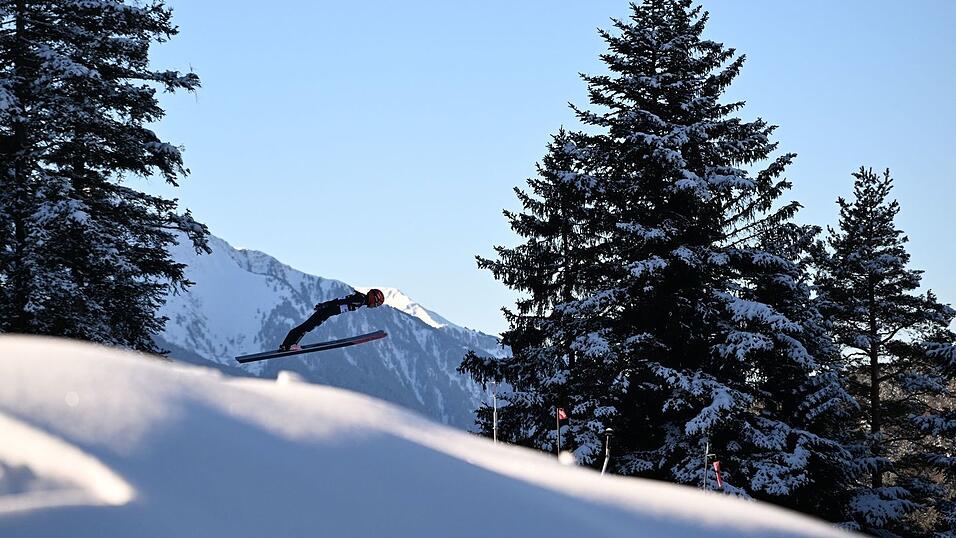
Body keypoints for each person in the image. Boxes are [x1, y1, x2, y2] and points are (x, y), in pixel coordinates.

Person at [279, 288, 385, 351]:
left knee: (306, 327)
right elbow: (341, 302)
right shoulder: (360, 300)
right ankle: (289, 345)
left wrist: (326, 305)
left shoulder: (360, 299)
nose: (375, 306)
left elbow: (341, 301)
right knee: (306, 327)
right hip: (326, 311)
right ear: (373, 299)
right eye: (376, 304)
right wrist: (325, 305)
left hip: (327, 311)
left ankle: (286, 345)